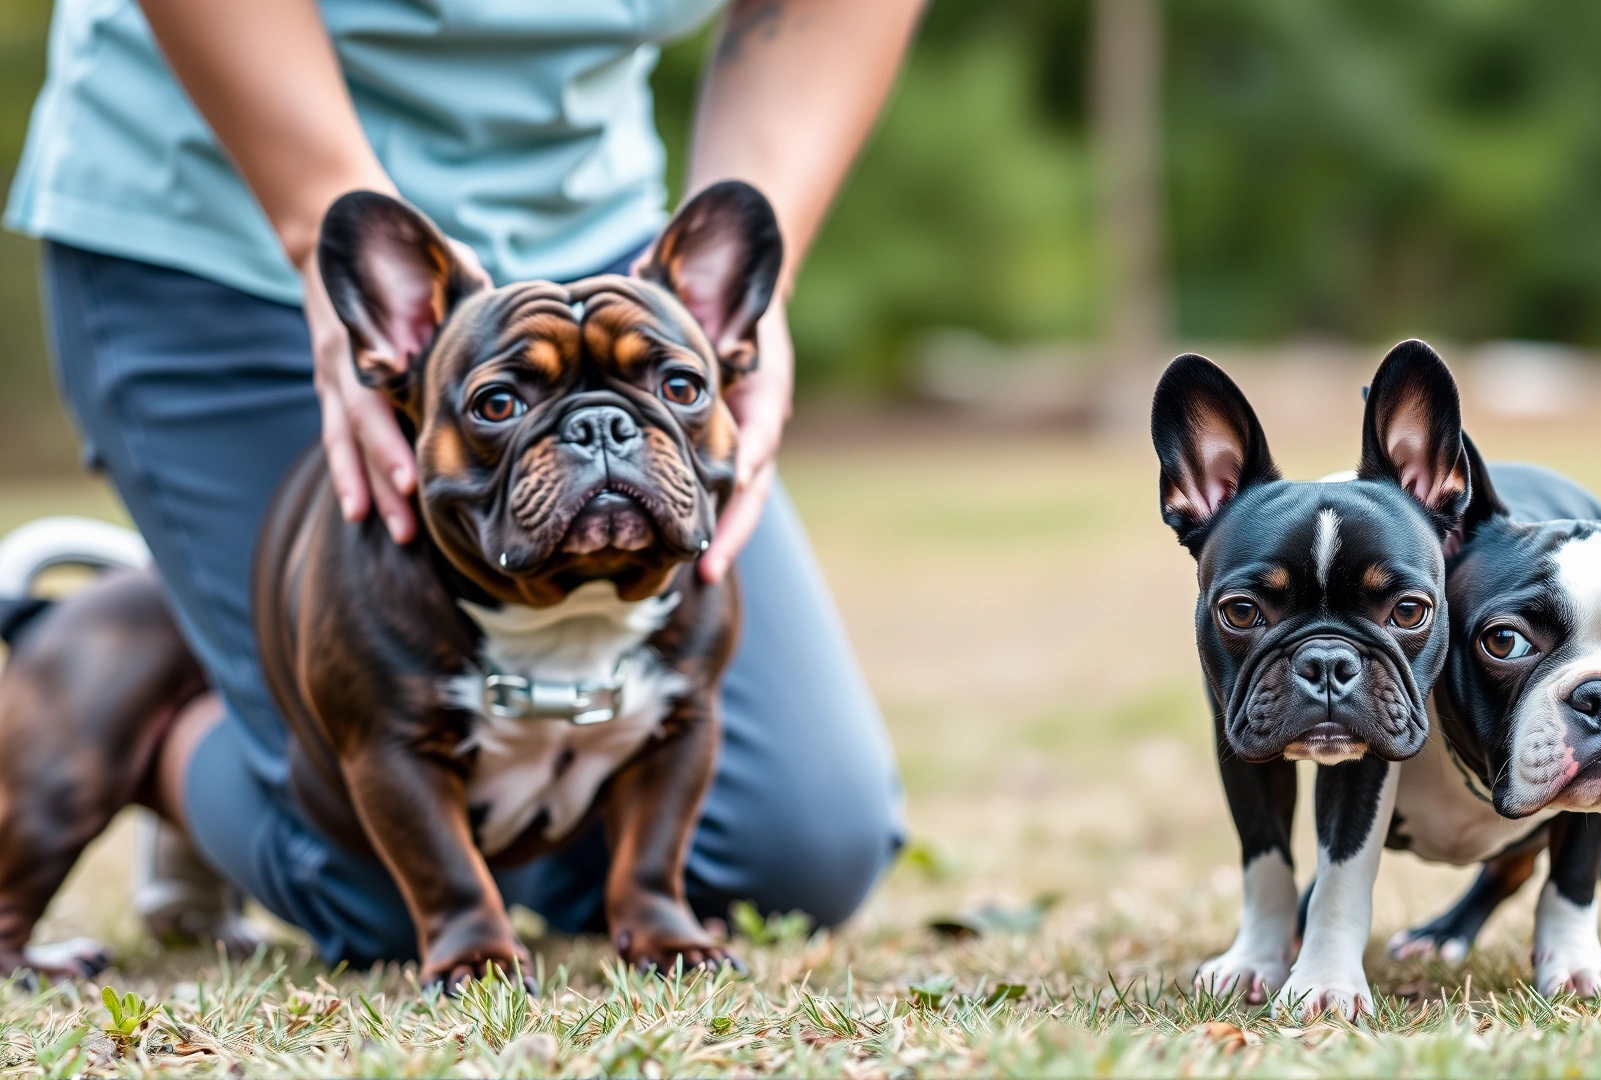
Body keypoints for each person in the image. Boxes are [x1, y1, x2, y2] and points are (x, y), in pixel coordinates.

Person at [5, 0, 920, 967]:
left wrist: (751, 309)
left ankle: (508, 785)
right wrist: (320, 219)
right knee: (383, 898)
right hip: (211, 215)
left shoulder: (659, 319)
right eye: (498, 408)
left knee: (796, 857)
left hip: (590, 219)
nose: (605, 438)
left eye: (677, 388)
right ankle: (168, 674)